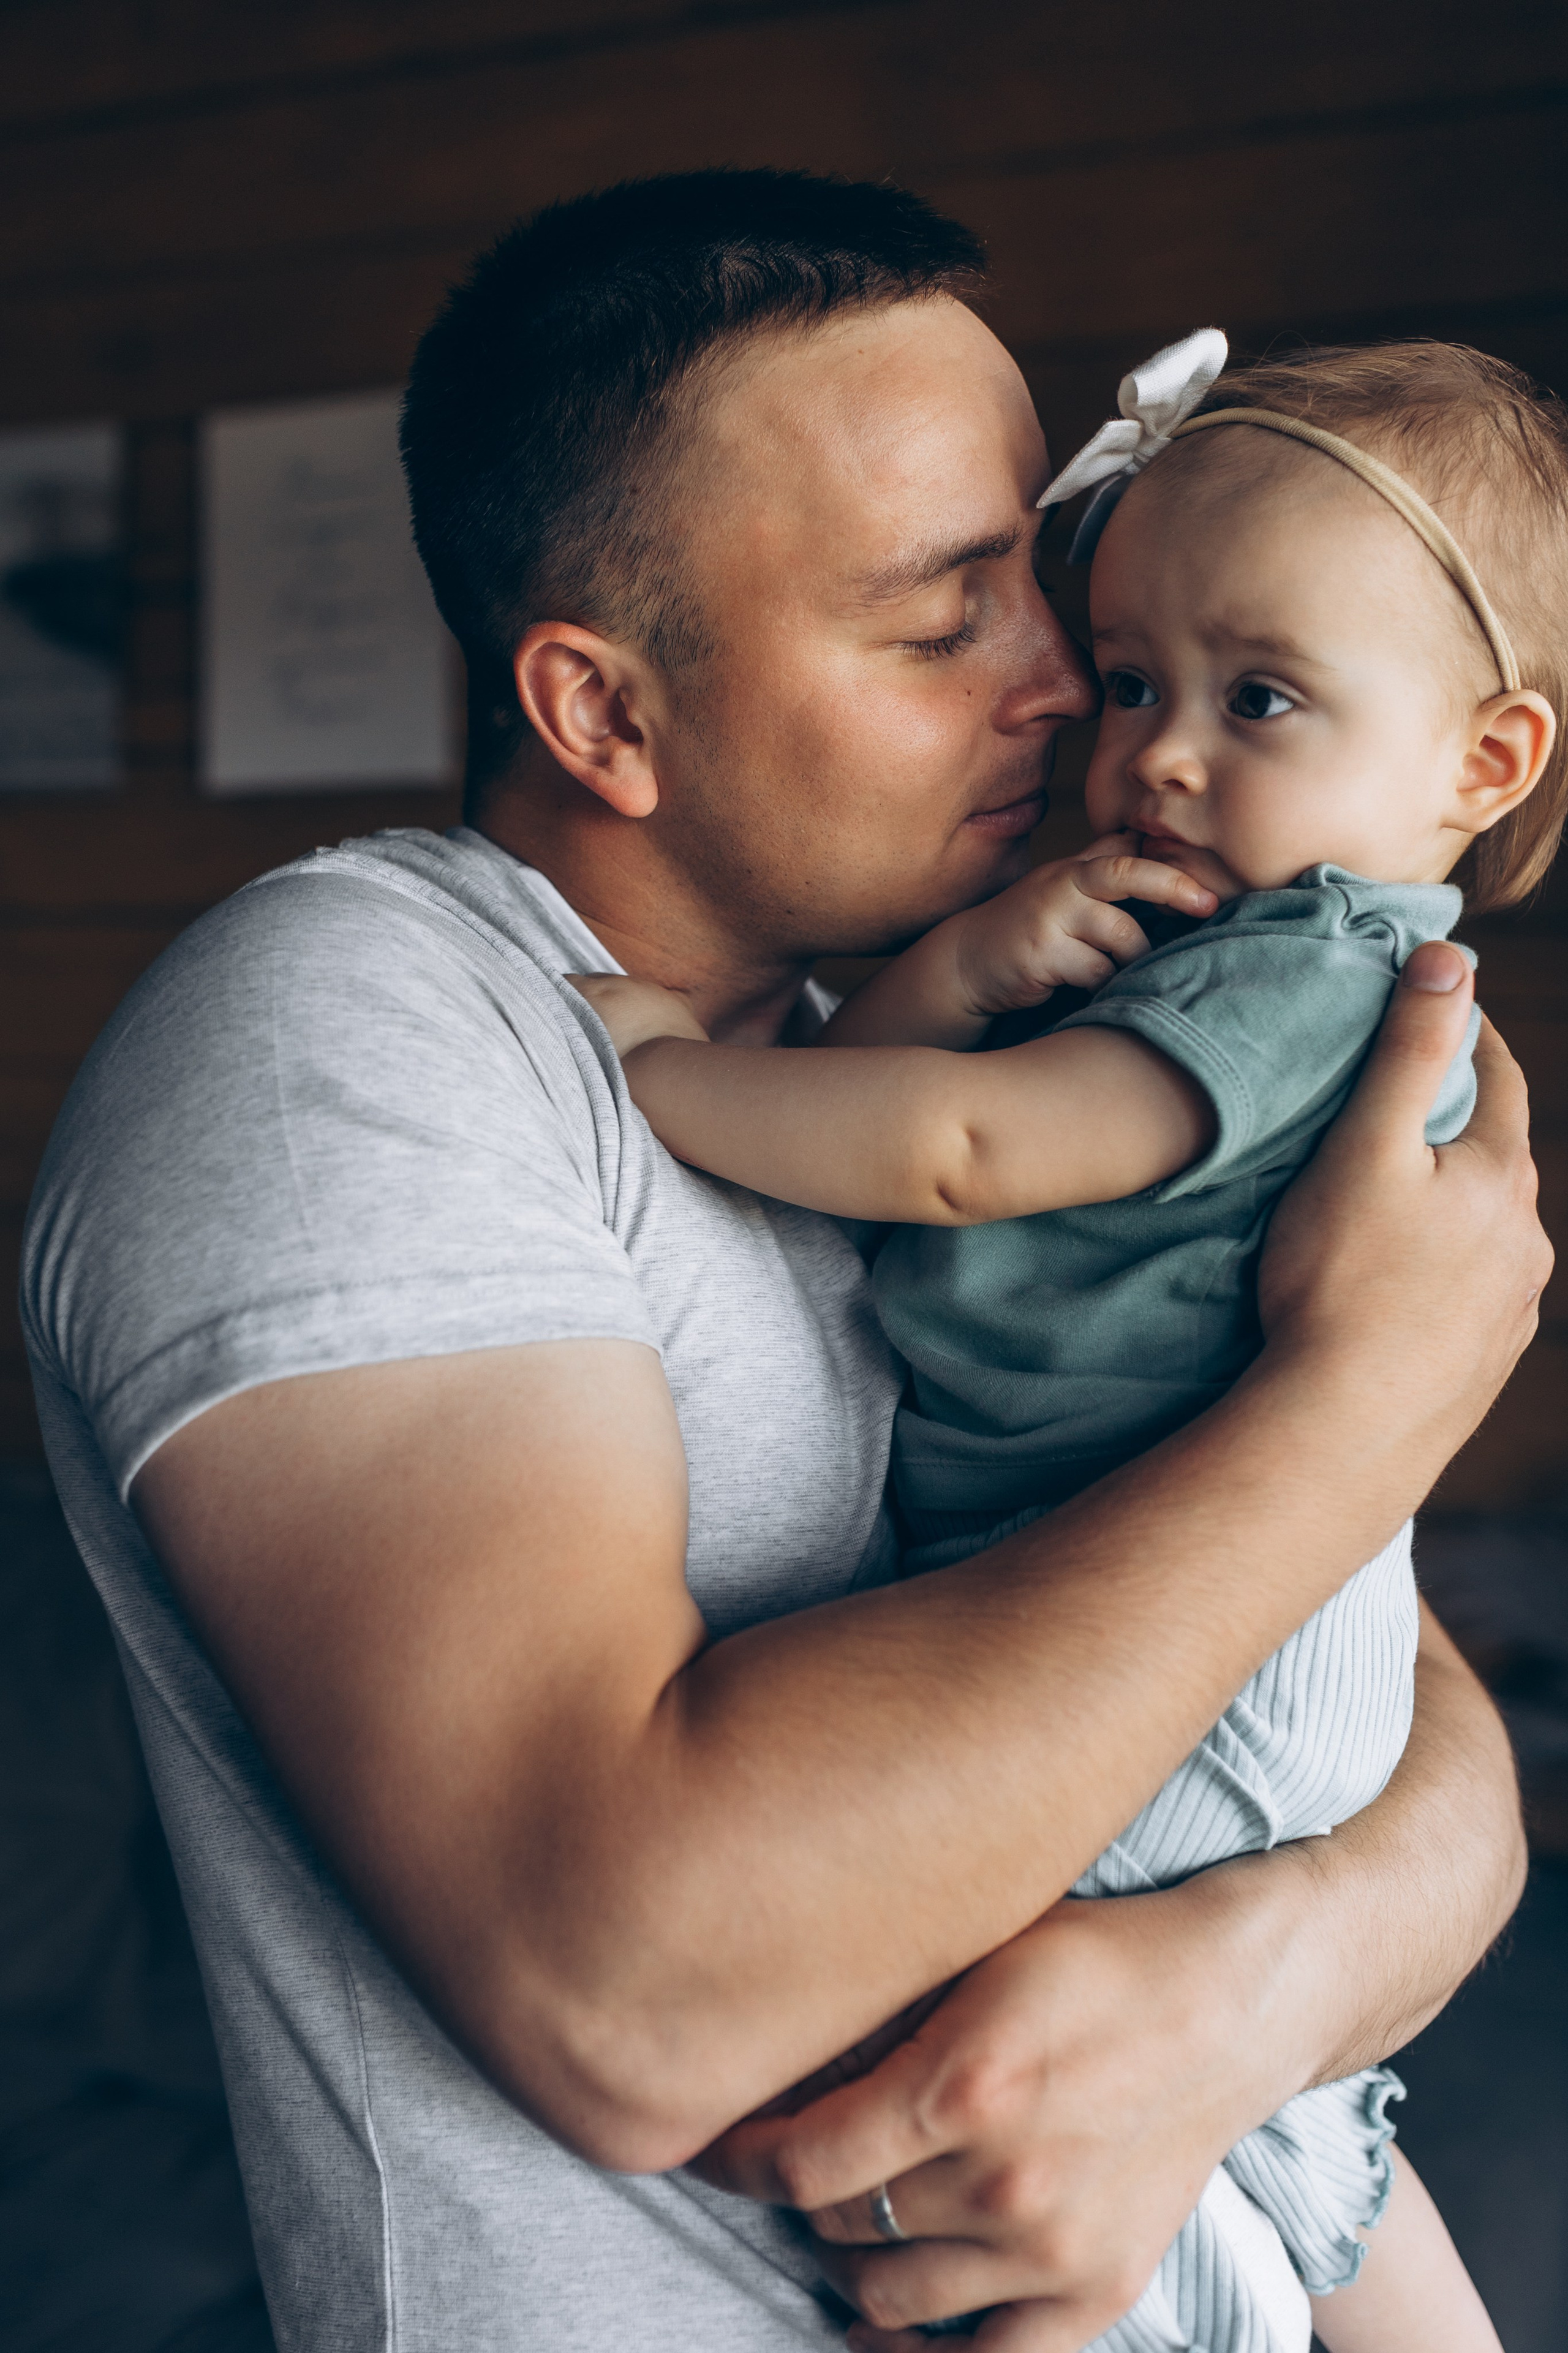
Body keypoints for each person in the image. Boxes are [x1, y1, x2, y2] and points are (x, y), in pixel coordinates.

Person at [20, 172, 1545, 2353]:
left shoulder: (965, 1023)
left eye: (1050, 583)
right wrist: (1368, 1393)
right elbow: (624, 1983)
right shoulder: (345, 1033)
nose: (1071, 692)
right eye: (941, 626)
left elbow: (1392, 1713)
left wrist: (1242, 1988)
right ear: (603, 716)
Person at [575, 328, 1568, 2351]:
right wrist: (963, 961)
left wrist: (662, 1075)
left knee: (984, 2037)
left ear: (1485, 761)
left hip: (1208, 1641)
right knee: (1254, 2109)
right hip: (1230, 1599)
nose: (1159, 752)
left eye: (1260, 696)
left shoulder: (1311, 976)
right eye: (1137, 682)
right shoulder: (1209, 943)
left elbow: (956, 1149)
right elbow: (936, 1073)